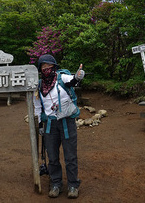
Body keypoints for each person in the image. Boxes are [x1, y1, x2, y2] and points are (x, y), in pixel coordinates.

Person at [33, 54, 85, 199]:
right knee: (53, 157)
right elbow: (37, 106)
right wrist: (40, 125)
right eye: (43, 66)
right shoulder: (38, 85)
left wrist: (79, 75)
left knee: (70, 156)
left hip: (67, 122)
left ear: (54, 67)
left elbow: (74, 80)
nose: (46, 69)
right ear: (40, 69)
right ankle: (55, 183)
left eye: (49, 66)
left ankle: (73, 185)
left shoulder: (62, 78)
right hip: (50, 124)